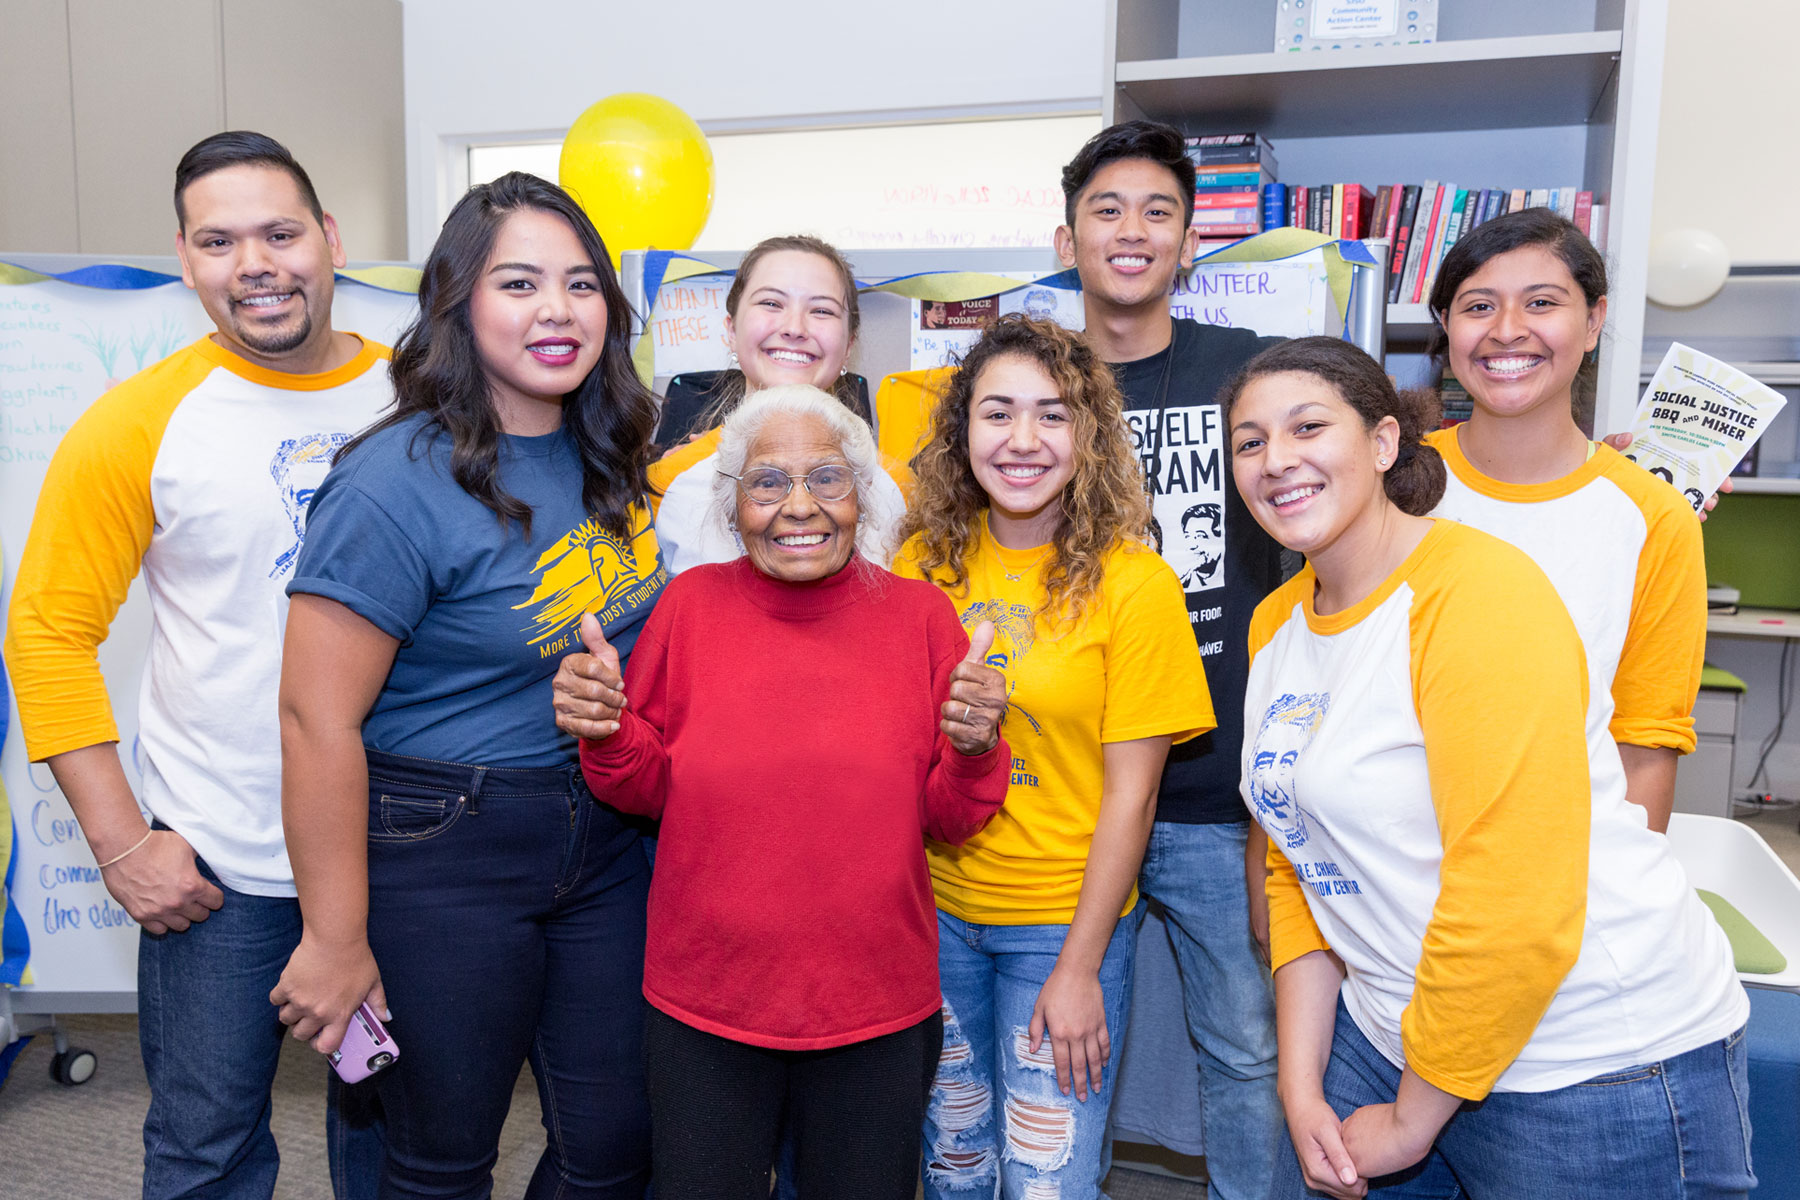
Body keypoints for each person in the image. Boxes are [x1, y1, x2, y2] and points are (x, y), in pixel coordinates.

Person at [1227, 335, 1750, 1199]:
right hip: (1388, 1028)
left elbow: (1513, 895)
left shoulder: (1480, 597)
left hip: (1589, 1063)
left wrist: (1410, 1121)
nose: (1277, 459)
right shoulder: (1279, 621)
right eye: (1250, 442)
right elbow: (1298, 862)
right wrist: (1299, 1080)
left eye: (1308, 427)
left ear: (1384, 443)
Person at [3, 130, 394, 1198]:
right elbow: (46, 631)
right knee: (204, 1151)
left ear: (330, 239)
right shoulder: (138, 421)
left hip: (407, 846)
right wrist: (122, 843)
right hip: (220, 866)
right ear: (184, 259)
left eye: (280, 233)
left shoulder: (420, 399)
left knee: (402, 1145)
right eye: (219, 242)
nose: (254, 264)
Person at [269, 171, 666, 1199]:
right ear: (458, 301)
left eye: (581, 284)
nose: (557, 310)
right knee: (442, 1163)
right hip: (443, 848)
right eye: (519, 283)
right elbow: (314, 720)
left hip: (607, 838)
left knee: (618, 1147)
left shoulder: (612, 448)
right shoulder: (393, 479)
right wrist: (334, 937)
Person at [559, 383, 1011, 1199]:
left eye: (826, 478)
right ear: (734, 507)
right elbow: (646, 791)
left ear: (863, 494)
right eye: (768, 482)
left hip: (876, 1003)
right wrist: (607, 729)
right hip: (707, 1002)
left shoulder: (920, 618)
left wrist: (977, 751)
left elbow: (948, 818)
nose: (799, 506)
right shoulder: (690, 607)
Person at [896, 315, 1215, 1200]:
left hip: (1060, 926)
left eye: (1052, 414)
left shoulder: (1135, 583)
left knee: (1048, 1180)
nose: (1023, 440)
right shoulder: (919, 565)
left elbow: (1132, 800)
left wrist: (1079, 968)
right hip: (934, 917)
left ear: (1089, 435)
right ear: (962, 432)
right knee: (955, 1166)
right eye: (998, 413)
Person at [1054, 119, 1288, 1198]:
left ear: (1191, 242)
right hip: (1068, 788)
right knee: (1063, 1047)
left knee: (1246, 1050)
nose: (1132, 231)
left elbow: (1374, 473)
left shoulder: (1249, 371)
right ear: (1068, 240)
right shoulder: (1034, 381)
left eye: (1158, 212)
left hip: (1214, 789)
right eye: (1107, 210)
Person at [1423, 208, 1705, 834]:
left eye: (1542, 303)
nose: (1507, 331)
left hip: (1560, 860)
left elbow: (1645, 743)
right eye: (1478, 306)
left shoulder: (1654, 516)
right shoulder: (1390, 484)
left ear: (1594, 321)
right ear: (1446, 325)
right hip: (1380, 860)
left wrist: (1620, 886)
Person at [651, 234, 908, 572]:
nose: (794, 328)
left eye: (821, 310)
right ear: (731, 329)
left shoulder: (899, 487)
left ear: (849, 344)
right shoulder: (667, 482)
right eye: (771, 303)